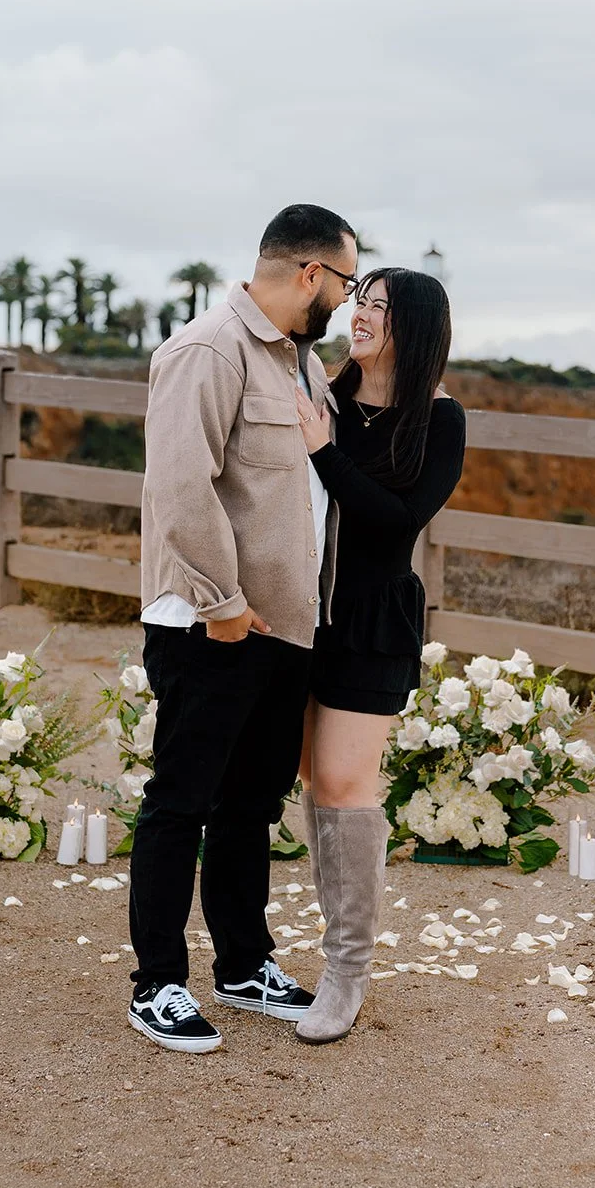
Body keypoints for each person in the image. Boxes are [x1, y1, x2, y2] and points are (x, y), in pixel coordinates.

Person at [127, 204, 359, 1053]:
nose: (346, 296)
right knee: (180, 803)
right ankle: (156, 985)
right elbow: (180, 487)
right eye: (344, 280)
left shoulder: (302, 365)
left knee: (248, 807)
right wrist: (222, 604)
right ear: (309, 274)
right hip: (214, 623)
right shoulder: (205, 350)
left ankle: (241, 965)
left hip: (285, 626)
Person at [293, 267, 466, 1043]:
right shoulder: (321, 393)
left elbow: (398, 518)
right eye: (358, 300)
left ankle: (346, 970)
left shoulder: (438, 417)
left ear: (416, 326)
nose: (358, 315)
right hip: (300, 607)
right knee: (310, 779)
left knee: (343, 781)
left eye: (378, 307)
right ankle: (328, 951)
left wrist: (324, 451)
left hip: (372, 617)